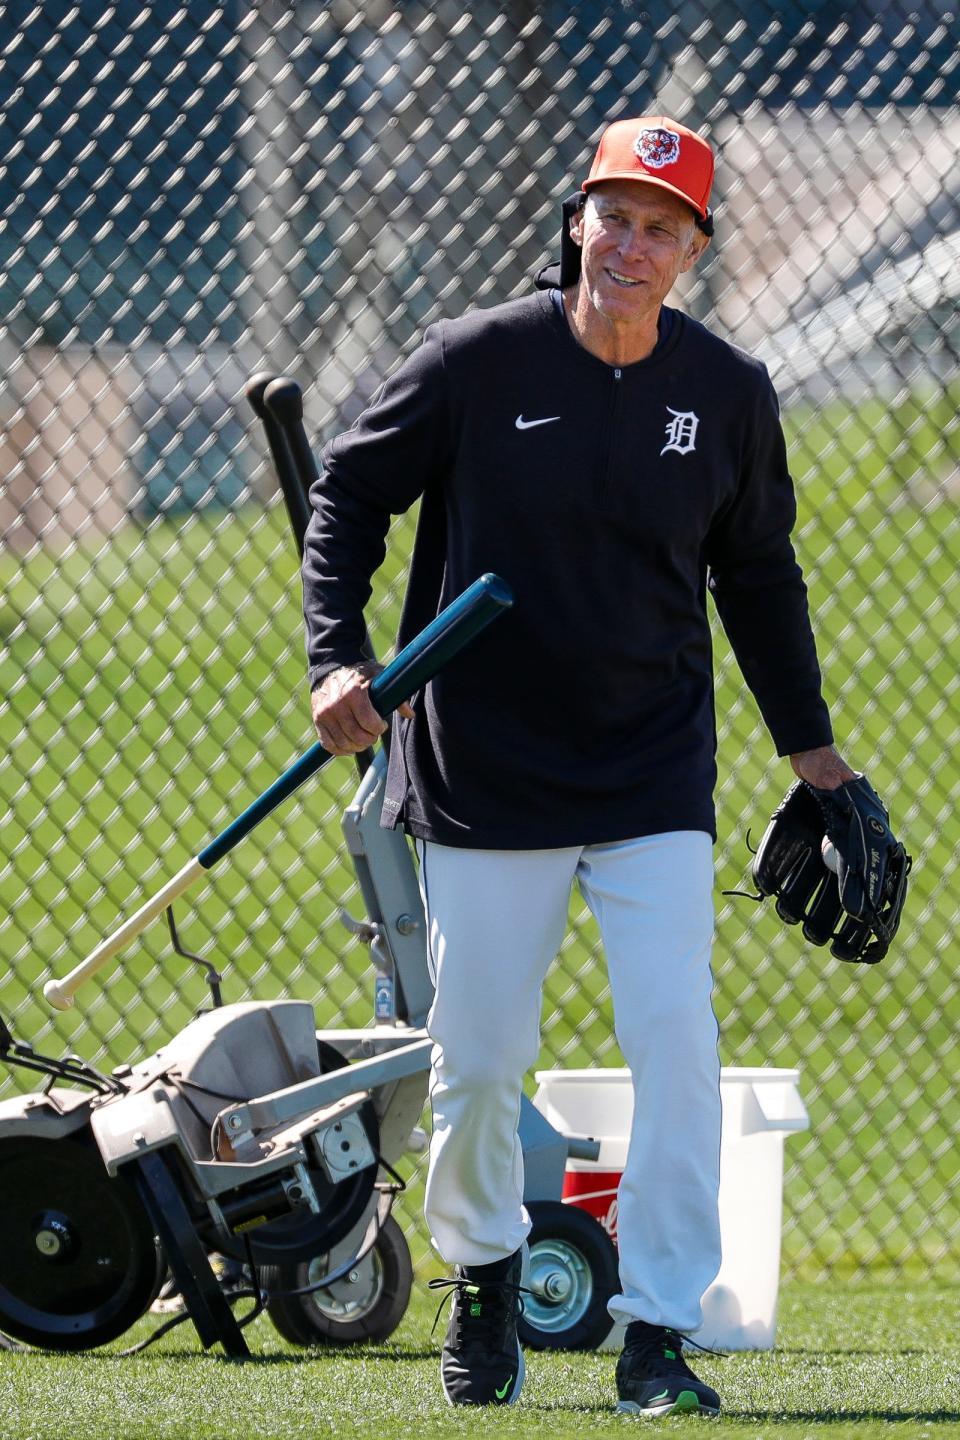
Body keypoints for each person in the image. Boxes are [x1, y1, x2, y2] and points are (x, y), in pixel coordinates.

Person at [301, 115, 857, 1417]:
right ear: (576, 223)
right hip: (486, 772)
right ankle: (487, 1277)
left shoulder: (727, 393)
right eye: (616, 215)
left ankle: (660, 1330)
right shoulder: (475, 362)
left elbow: (760, 576)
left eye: (664, 227)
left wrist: (816, 759)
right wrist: (337, 658)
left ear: (693, 251)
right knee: (479, 1058)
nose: (633, 243)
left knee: (676, 1034)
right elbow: (347, 496)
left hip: (652, 771)